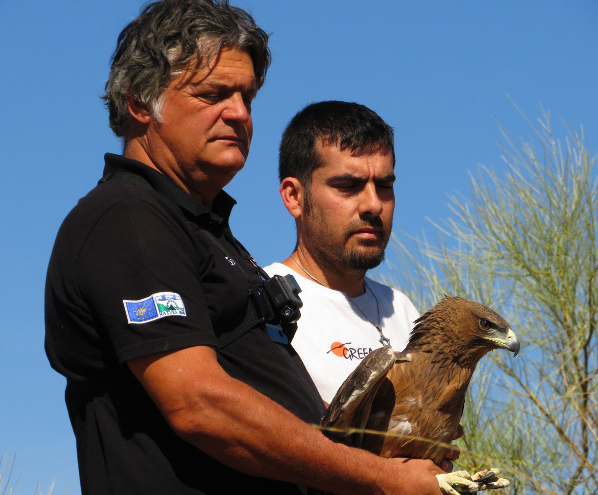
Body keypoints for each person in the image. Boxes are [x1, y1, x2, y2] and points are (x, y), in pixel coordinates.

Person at [45, 2, 444, 494]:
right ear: (139, 104)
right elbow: (199, 404)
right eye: (213, 94)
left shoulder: (202, 230)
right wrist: (382, 479)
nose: (238, 113)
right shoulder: (127, 220)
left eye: (247, 97)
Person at [264, 100, 460, 467]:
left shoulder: (401, 309)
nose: (373, 204)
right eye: (348, 186)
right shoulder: (260, 300)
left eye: (384, 186)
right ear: (294, 196)